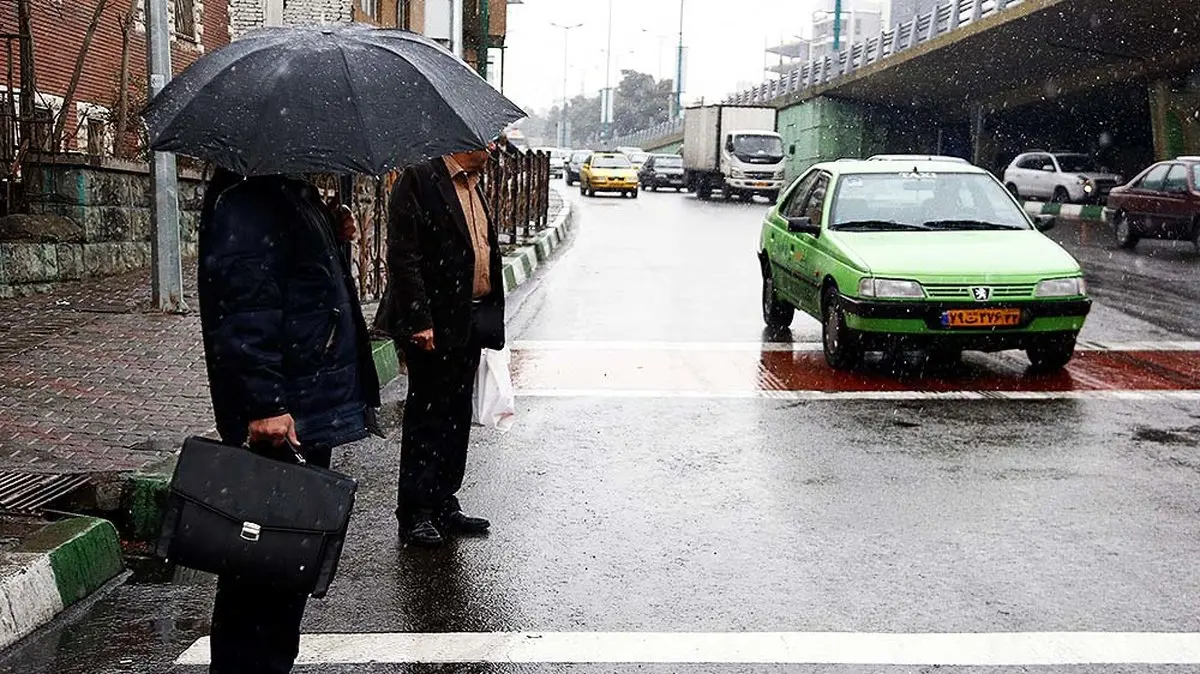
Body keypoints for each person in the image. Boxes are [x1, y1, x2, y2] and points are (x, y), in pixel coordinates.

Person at [197, 169, 381, 674]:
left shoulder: (282, 190)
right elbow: (245, 309)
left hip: (303, 407)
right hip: (284, 415)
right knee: (260, 572)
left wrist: (330, 232)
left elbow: (300, 284)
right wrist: (264, 403)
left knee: (283, 569)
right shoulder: (249, 199)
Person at [375, 148, 504, 547]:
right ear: (462, 141)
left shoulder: (473, 184)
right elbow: (403, 255)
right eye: (487, 142)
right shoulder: (419, 178)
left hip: (470, 318)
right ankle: (415, 512)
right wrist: (419, 320)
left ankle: (444, 500)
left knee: (456, 414)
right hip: (433, 322)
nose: (493, 149)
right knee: (427, 416)